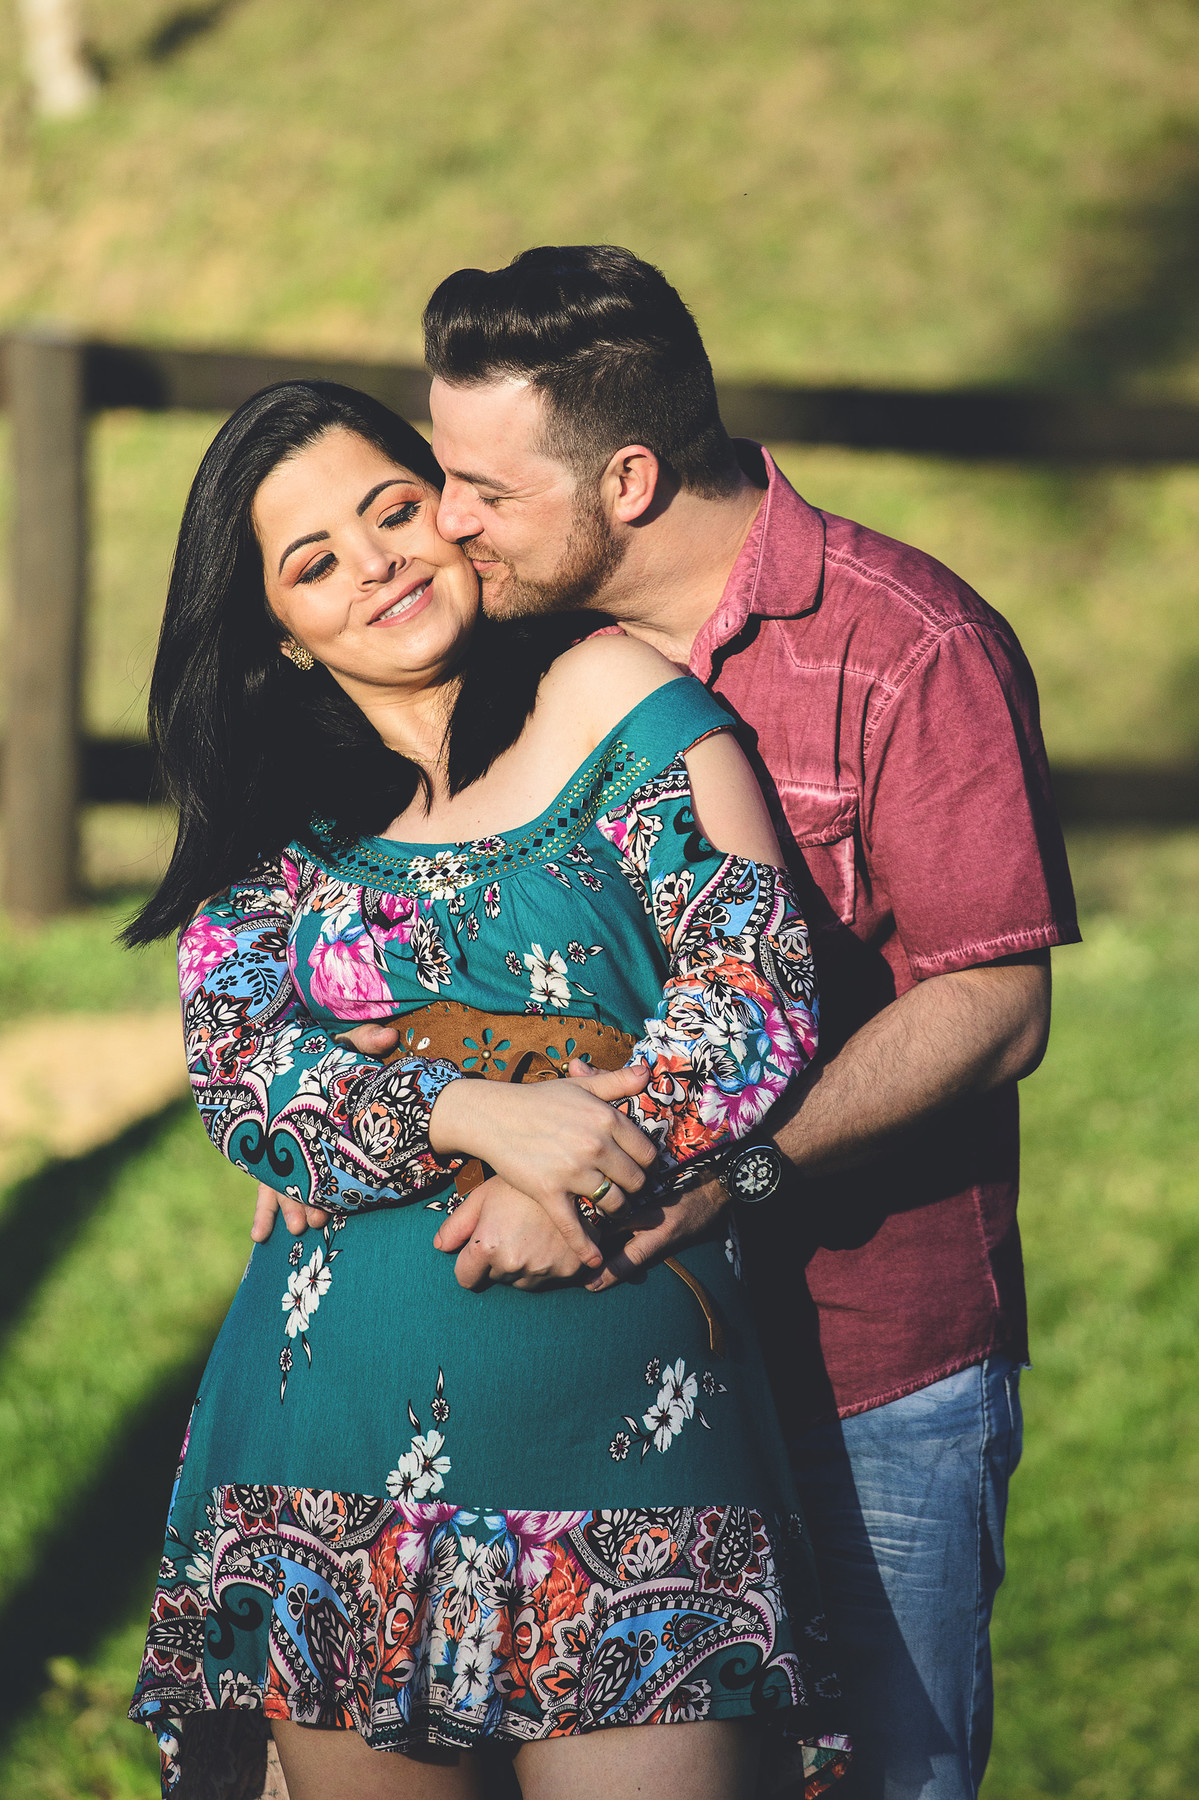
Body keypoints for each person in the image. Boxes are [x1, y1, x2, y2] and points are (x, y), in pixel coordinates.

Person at [253, 246, 1078, 1800]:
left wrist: (713, 1175)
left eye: (480, 486)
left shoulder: (909, 645)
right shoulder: (498, 652)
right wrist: (345, 1114)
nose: (446, 521)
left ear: (625, 477)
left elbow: (996, 1001)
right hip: (561, 1373)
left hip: (860, 1362)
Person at [124, 379, 851, 1800]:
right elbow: (243, 1063)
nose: (377, 565)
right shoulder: (279, 816)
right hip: (318, 1470)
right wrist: (471, 1115)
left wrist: (610, 1145)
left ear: (454, 512)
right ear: (279, 626)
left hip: (632, 1457)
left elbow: (754, 985)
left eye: (393, 512)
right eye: (314, 561)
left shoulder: (619, 697)